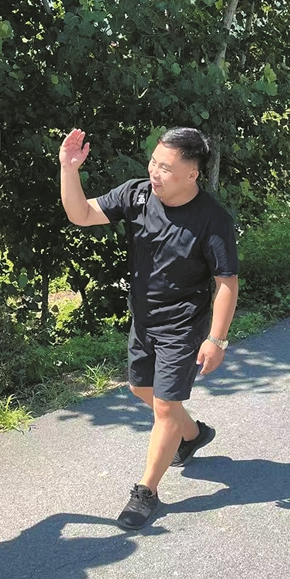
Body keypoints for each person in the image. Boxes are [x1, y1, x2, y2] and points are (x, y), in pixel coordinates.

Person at [59, 127, 239, 530]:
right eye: (154, 162)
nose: (154, 172)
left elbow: (226, 282)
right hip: (144, 317)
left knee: (164, 406)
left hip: (183, 324)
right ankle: (191, 435)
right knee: (142, 389)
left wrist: (216, 338)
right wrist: (69, 169)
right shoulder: (136, 195)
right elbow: (80, 214)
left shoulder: (213, 220)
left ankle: (146, 492)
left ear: (191, 174)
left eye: (166, 168)